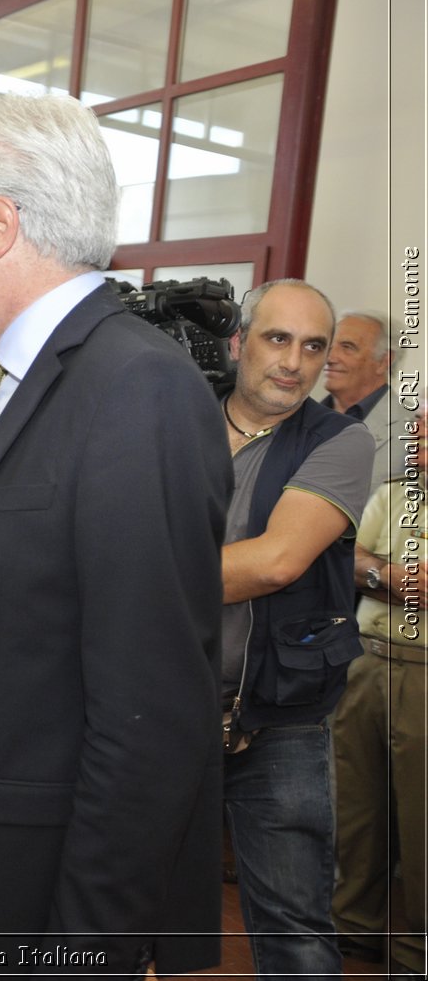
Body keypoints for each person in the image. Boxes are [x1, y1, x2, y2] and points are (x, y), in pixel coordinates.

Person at [0, 92, 231, 975]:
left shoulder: (137, 388)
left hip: (23, 899)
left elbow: (150, 719)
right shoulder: (15, 379)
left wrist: (83, 953)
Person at [217, 279, 372, 979]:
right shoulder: (174, 422)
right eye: (278, 338)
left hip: (280, 720)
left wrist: (124, 579)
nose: (295, 361)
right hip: (156, 710)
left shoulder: (340, 439)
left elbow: (276, 561)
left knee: (294, 931)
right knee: (122, 905)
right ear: (238, 342)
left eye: (314, 346)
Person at [332, 404, 425, 978]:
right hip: (367, 664)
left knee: (421, 824)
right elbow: (347, 557)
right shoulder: (392, 495)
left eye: (426, 430)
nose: (414, 435)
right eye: (415, 426)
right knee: (356, 812)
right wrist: (387, 575)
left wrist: (381, 570)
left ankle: (415, 953)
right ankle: (352, 933)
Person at [320, 309, 400, 490]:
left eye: (347, 347)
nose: (330, 358)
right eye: (330, 346)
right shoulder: (296, 416)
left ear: (384, 361)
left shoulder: (414, 430)